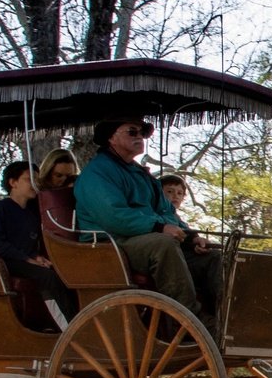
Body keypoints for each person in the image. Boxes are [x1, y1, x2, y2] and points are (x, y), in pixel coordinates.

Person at [72, 118, 220, 320]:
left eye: (142, 132)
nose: (140, 136)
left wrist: (191, 237)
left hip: (143, 239)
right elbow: (115, 217)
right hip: (111, 243)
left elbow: (168, 211)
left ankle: (226, 319)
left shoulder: (141, 174)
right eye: (132, 132)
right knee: (163, 244)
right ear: (111, 138)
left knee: (213, 255)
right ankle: (189, 322)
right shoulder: (97, 173)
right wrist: (159, 227)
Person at [0, 160, 76, 326]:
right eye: (29, 179)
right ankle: (70, 326)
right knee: (46, 277)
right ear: (13, 183)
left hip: (27, 259)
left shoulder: (32, 211)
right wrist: (27, 259)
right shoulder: (1, 208)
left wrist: (36, 256)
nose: (34, 184)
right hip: (6, 262)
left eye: (36, 180)